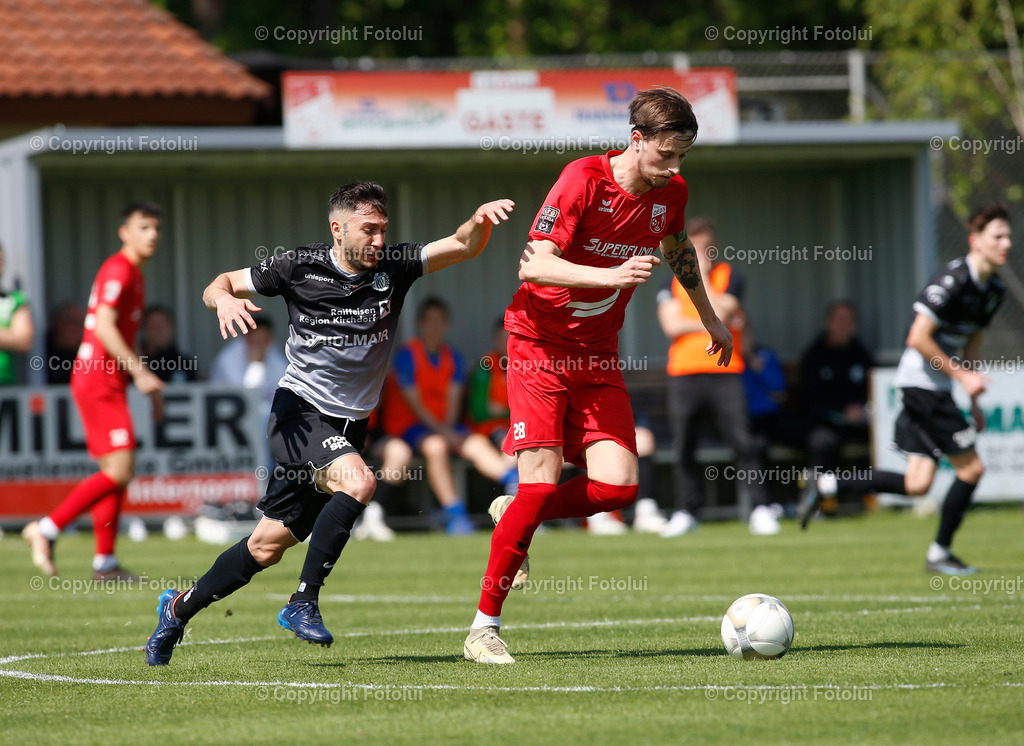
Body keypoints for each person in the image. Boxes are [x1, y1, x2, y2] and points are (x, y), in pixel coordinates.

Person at [144, 181, 514, 666]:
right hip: (299, 416)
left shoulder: (394, 267)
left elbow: (463, 245)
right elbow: (218, 284)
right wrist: (224, 301)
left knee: (265, 546)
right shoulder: (298, 266)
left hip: (348, 427)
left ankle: (176, 609)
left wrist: (478, 221)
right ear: (337, 229)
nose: (379, 240)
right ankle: (302, 601)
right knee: (359, 482)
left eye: (383, 229)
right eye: (368, 230)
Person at [463, 85, 733, 664]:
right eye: (666, 154)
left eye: (683, 156)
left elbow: (678, 249)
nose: (675, 167)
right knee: (539, 485)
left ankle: (517, 513)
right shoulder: (582, 179)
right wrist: (610, 276)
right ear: (636, 140)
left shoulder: (672, 192)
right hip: (538, 347)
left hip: (597, 355)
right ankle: (483, 628)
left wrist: (709, 318)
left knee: (619, 487)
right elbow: (535, 264)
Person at [798, 204, 1011, 576]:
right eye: (997, 236)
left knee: (917, 483)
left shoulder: (993, 290)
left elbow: (972, 341)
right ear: (975, 240)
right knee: (972, 469)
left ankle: (827, 483)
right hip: (921, 385)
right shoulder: (952, 280)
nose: (1005, 243)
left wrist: (973, 396)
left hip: (935, 387)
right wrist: (962, 377)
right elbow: (918, 338)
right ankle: (940, 553)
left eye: (1008, 236)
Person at [23, 202, 165, 580]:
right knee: (121, 469)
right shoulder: (119, 268)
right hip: (98, 379)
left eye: (156, 228)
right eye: (144, 227)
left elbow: (123, 335)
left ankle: (105, 563)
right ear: (124, 232)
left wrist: (146, 382)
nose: (152, 234)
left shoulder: (134, 273)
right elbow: (103, 326)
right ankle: (46, 528)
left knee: (114, 472)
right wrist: (140, 374)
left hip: (107, 379)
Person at [656, 218, 780, 538]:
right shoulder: (669, 282)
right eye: (694, 247)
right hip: (684, 373)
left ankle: (761, 508)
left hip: (726, 371)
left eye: (706, 247)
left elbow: (723, 313)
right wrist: (714, 322)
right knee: (685, 444)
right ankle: (686, 511)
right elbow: (671, 326)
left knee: (743, 441)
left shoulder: (731, 276)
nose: (701, 253)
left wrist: (701, 280)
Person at [381, 296, 519, 534]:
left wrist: (449, 429)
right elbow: (416, 405)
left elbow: (454, 402)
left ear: (446, 324)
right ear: (420, 323)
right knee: (436, 446)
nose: (435, 325)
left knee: (475, 442)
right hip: (409, 426)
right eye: (430, 320)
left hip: (443, 426)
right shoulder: (407, 355)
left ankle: (512, 482)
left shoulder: (452, 357)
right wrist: (446, 433)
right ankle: (456, 515)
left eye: (440, 320)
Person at [799, 300, 874, 470]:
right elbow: (810, 397)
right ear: (827, 323)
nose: (844, 325)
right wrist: (843, 409)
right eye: (839, 320)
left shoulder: (862, 355)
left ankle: (876, 485)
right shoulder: (815, 356)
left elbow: (873, 390)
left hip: (859, 423)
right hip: (824, 422)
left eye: (849, 320)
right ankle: (819, 485)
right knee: (823, 442)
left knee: (885, 437)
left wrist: (861, 408)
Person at [0, 241, 34, 385]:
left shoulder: (15, 299)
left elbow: (24, 340)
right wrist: (8, 335)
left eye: (1, 260)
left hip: (4, 382)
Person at [139, 305, 198, 382]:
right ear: (144, 329)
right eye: (153, 326)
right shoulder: (132, 362)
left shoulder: (184, 364)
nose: (158, 331)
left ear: (171, 328)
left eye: (163, 326)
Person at [45, 303, 86, 385]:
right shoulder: (41, 350)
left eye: (81, 323)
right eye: (73, 322)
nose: (78, 329)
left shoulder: (85, 355)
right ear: (58, 323)